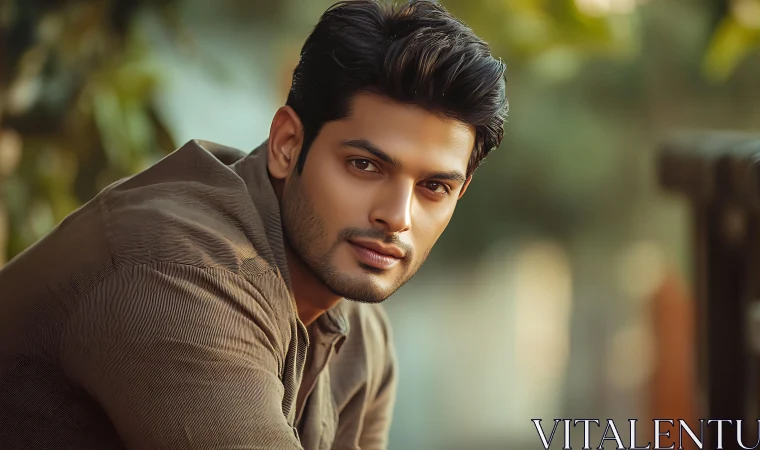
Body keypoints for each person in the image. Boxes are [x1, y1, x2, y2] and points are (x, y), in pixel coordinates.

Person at [0, 0, 508, 448]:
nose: (396, 217)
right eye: (364, 165)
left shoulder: (360, 334)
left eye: (434, 187)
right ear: (288, 145)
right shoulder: (179, 276)